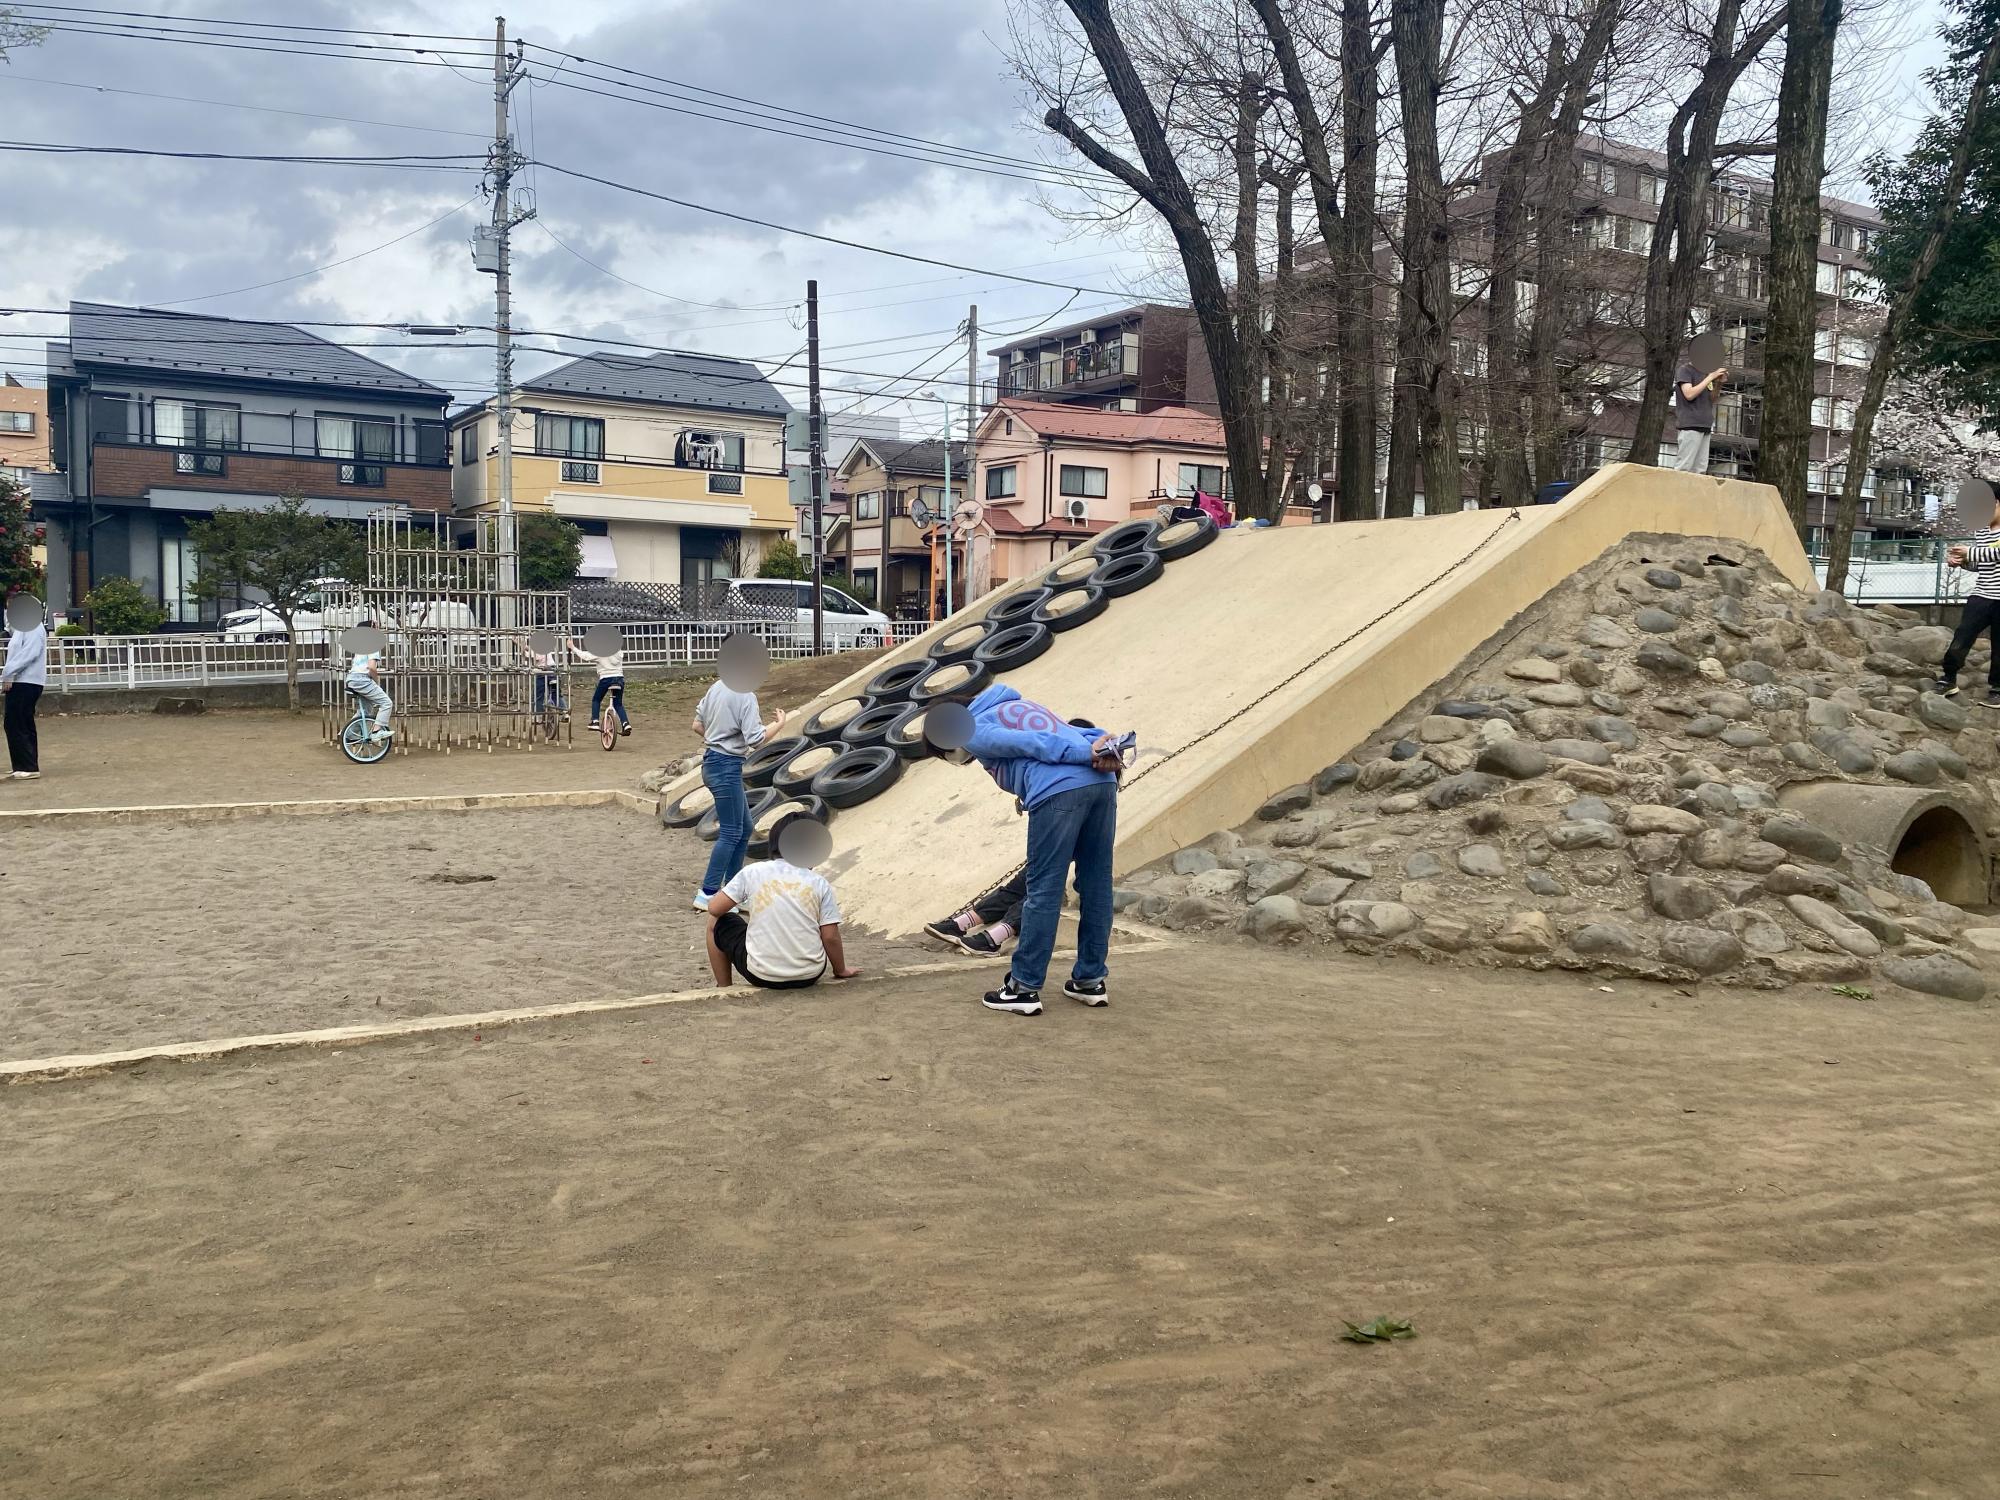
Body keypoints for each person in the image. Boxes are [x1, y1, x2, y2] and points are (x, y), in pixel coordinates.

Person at [934, 685, 1131, 1017]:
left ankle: (1023, 987)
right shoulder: (1020, 706)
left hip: (1057, 792)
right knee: (1096, 886)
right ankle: (1090, 980)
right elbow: (1080, 731)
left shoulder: (972, 727)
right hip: (1102, 785)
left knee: (1044, 889)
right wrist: (1099, 748)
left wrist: (1084, 756)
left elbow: (1029, 744)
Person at [923, 717, 1110, 957]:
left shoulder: (1087, 770)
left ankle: (996, 937)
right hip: (1059, 816)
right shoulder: (1081, 768)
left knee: (1043, 889)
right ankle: (965, 922)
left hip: (1069, 825)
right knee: (1025, 881)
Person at [704, 812, 859, 989]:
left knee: (715, 921)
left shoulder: (753, 872)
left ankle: (723, 986)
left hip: (761, 975)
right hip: (809, 975)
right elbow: (830, 936)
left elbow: (714, 908)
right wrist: (841, 970)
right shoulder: (819, 883)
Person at [691, 668, 788, 910]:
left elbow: (696, 725)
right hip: (726, 766)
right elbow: (756, 739)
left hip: (712, 761)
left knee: (744, 828)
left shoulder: (716, 687)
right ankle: (708, 892)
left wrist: (718, 739)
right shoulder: (746, 695)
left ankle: (734, 892)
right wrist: (780, 725)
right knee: (732, 832)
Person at [1940, 484, 2000, 706]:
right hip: (1982, 594)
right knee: (1962, 635)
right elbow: (1983, 563)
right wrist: (1962, 562)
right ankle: (1948, 677)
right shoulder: (1982, 531)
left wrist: (1970, 552)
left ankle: (1997, 688)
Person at [2, 595, 49, 780]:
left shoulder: (32, 626)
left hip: (26, 681)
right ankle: (22, 764)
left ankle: (28, 766)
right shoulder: (24, 628)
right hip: (24, 680)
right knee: (19, 722)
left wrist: (8, 673)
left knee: (17, 722)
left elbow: (29, 653)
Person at [1673, 356, 1728, 474]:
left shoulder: (1706, 374)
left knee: (1700, 469)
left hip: (1705, 425)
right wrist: (1710, 377)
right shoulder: (1685, 370)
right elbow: (1689, 394)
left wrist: (1718, 383)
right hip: (1690, 424)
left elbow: (1711, 399)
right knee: (1684, 467)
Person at [572, 638, 630, 735]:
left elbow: (585, 656)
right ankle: (625, 723)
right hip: (619, 678)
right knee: (618, 704)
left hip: (606, 679)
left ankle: (595, 721)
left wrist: (573, 647)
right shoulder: (619, 652)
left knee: (596, 699)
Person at [344, 635, 393, 745]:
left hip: (352, 679)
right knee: (386, 703)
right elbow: (372, 667)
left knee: (365, 710)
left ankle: (347, 734)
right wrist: (376, 680)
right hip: (363, 680)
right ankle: (376, 731)